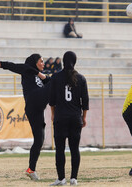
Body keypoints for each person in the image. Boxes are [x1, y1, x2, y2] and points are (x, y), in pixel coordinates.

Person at [0, 54, 50, 181]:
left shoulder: (42, 76)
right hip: (33, 102)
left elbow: (48, 81)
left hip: (37, 109)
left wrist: (44, 77)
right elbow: (8, 65)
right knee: (54, 83)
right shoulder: (26, 69)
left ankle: (31, 169)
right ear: (35, 62)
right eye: (41, 61)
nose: (43, 64)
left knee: (39, 140)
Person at [49, 51, 89, 186]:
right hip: (75, 118)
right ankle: (74, 178)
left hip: (61, 117)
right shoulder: (81, 78)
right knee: (74, 149)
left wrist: (53, 114)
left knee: (59, 149)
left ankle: (61, 179)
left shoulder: (55, 77)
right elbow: (85, 100)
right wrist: (84, 117)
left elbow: (52, 99)